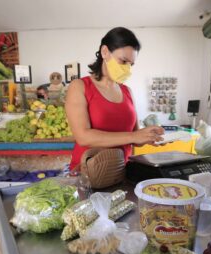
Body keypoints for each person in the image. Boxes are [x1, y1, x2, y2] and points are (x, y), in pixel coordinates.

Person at [65, 27, 164, 171]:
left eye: (131, 64)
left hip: (121, 172)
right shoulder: (79, 86)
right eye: (123, 61)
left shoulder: (127, 91)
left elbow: (135, 137)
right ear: (105, 52)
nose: (128, 69)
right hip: (89, 174)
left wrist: (149, 136)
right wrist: (133, 136)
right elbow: (83, 137)